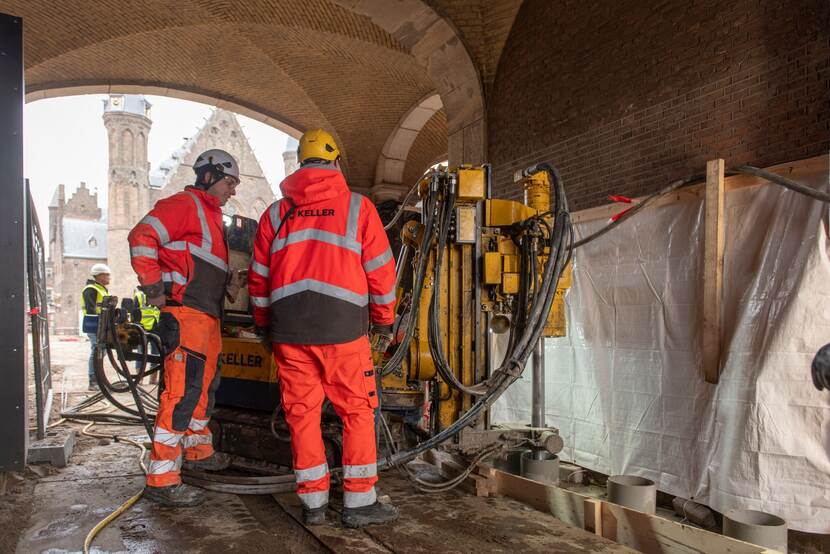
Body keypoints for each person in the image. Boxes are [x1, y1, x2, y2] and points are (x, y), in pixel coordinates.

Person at [248, 129, 398, 528]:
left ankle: (313, 505)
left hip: (289, 333)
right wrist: (384, 320)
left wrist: (265, 326)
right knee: (357, 413)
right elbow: (382, 272)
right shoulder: (357, 208)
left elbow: (259, 279)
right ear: (334, 163)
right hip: (343, 331)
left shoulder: (276, 214)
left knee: (302, 415)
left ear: (301, 164)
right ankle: (359, 502)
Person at [128, 148, 244, 507]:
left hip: (207, 317)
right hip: (184, 315)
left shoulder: (212, 219)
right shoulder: (183, 205)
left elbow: (199, 264)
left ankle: (198, 454)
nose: (233, 191)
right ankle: (162, 479)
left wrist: (230, 282)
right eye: (229, 182)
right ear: (208, 176)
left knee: (205, 389)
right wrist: (154, 291)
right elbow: (140, 237)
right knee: (181, 393)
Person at [82, 263, 111, 391]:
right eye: (107, 275)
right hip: (94, 324)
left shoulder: (101, 288)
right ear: (99, 276)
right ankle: (93, 381)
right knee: (96, 350)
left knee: (101, 351)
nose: (109, 277)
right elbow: (91, 310)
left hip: (101, 324)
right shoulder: (91, 289)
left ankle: (98, 379)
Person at [134, 288, 161, 377]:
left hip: (153, 327)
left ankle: (151, 379)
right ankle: (140, 378)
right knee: (143, 353)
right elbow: (134, 312)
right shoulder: (139, 295)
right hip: (144, 327)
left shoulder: (159, 294)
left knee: (153, 353)